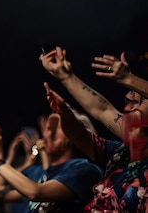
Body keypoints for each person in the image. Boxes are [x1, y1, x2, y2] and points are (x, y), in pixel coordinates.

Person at [40, 47, 148, 211]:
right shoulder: (119, 152)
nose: (132, 103)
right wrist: (65, 77)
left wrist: (129, 79)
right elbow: (101, 112)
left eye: (141, 100)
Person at [0, 116, 102, 212]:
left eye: (56, 127)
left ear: (75, 134)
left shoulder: (84, 169)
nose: (49, 133)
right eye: (47, 128)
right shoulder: (35, 172)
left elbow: (35, 192)